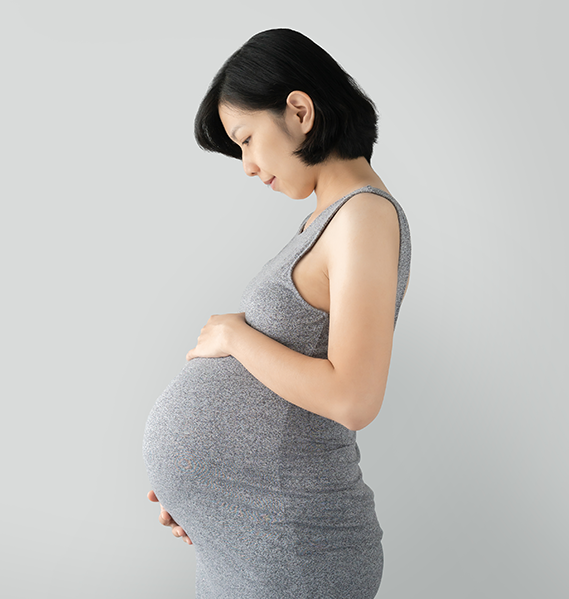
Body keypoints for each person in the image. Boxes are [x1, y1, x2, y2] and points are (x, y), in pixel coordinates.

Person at [142, 28, 411, 598]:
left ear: (298, 110)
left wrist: (237, 338)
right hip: (260, 538)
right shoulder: (327, 220)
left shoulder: (363, 215)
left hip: (296, 549)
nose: (245, 165)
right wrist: (207, 494)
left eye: (245, 139)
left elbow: (354, 398)